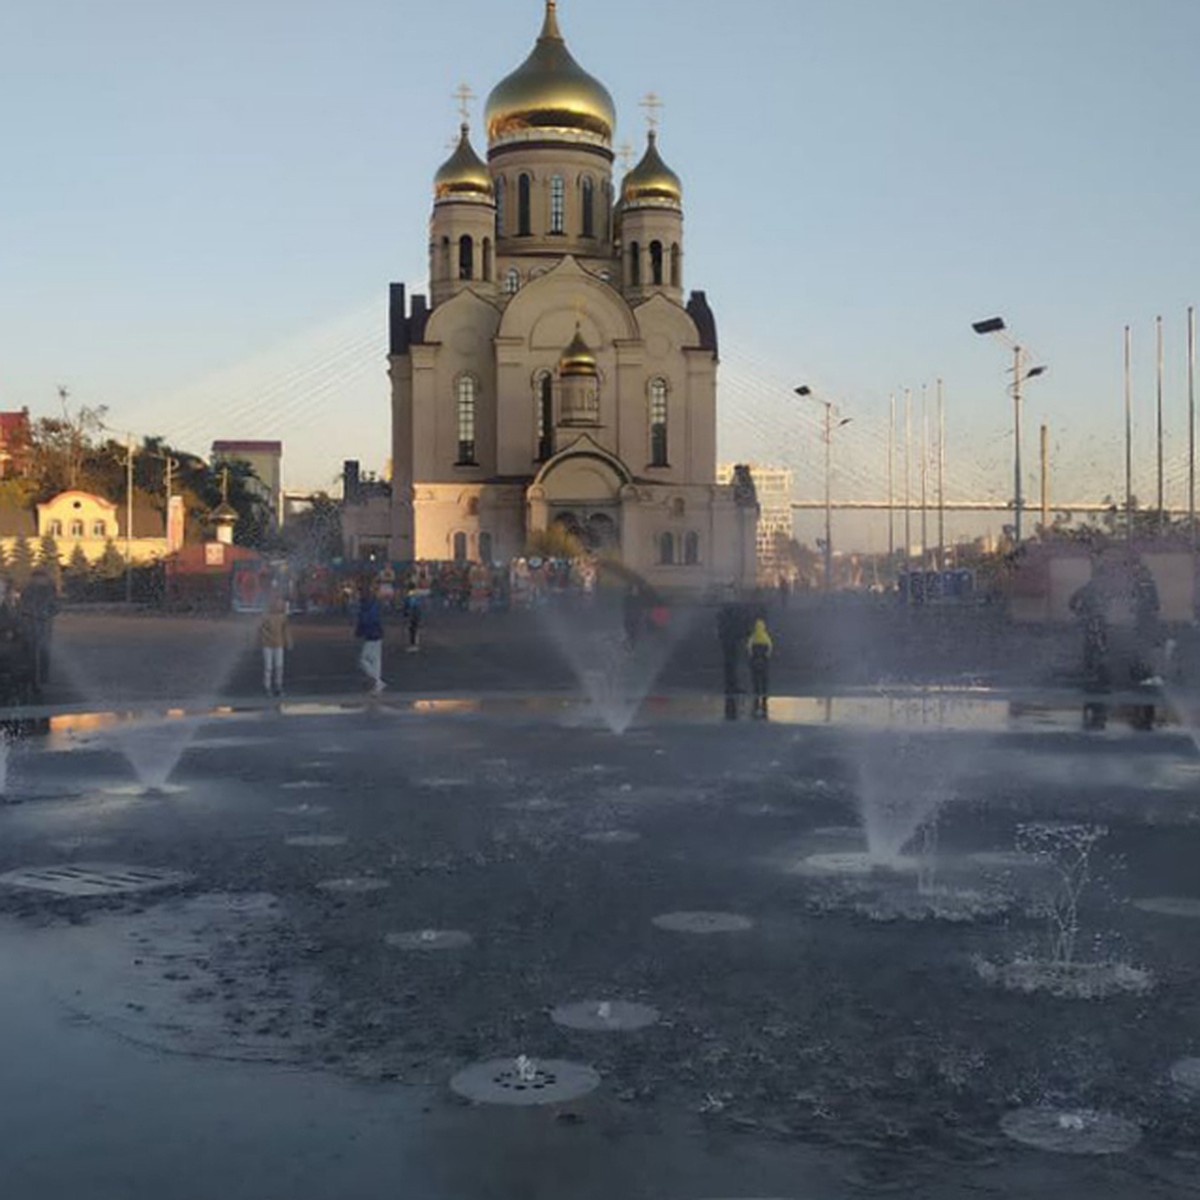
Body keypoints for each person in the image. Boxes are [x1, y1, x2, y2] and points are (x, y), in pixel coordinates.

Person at [19, 566, 58, 691]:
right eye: (36, 578)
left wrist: (47, 614)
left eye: (40, 577)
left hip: (44, 625)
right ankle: (33, 678)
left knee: (44, 650)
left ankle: (43, 677)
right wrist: (28, 613)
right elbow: (22, 605)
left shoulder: (50, 590)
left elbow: (55, 606)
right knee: (32, 652)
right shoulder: (28, 590)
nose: (38, 580)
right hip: (31, 624)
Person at [355, 579, 386, 694]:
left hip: (371, 634)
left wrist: (359, 631)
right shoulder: (372, 603)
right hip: (376, 632)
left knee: (364, 659)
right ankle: (377, 683)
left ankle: (377, 681)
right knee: (376, 660)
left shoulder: (366, 605)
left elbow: (364, 619)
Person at [258, 595, 292, 697]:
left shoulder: (282, 617)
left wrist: (288, 641)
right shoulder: (266, 617)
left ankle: (277, 687)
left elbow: (286, 630)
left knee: (278, 667)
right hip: (270, 644)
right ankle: (268, 687)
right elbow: (261, 629)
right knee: (270, 667)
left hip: (277, 644)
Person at [747, 616, 774, 720]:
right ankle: (764, 691)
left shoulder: (754, 636)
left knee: (755, 676)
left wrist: (752, 654)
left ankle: (756, 691)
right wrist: (767, 655)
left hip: (755, 659)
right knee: (764, 676)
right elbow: (770, 645)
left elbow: (749, 646)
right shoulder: (765, 636)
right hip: (764, 659)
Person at [403, 583, 422, 653]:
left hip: (413, 614)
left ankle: (413, 645)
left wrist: (407, 613)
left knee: (412, 629)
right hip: (417, 613)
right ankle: (415, 644)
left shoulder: (410, 594)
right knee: (414, 629)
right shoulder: (416, 593)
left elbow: (411, 604)